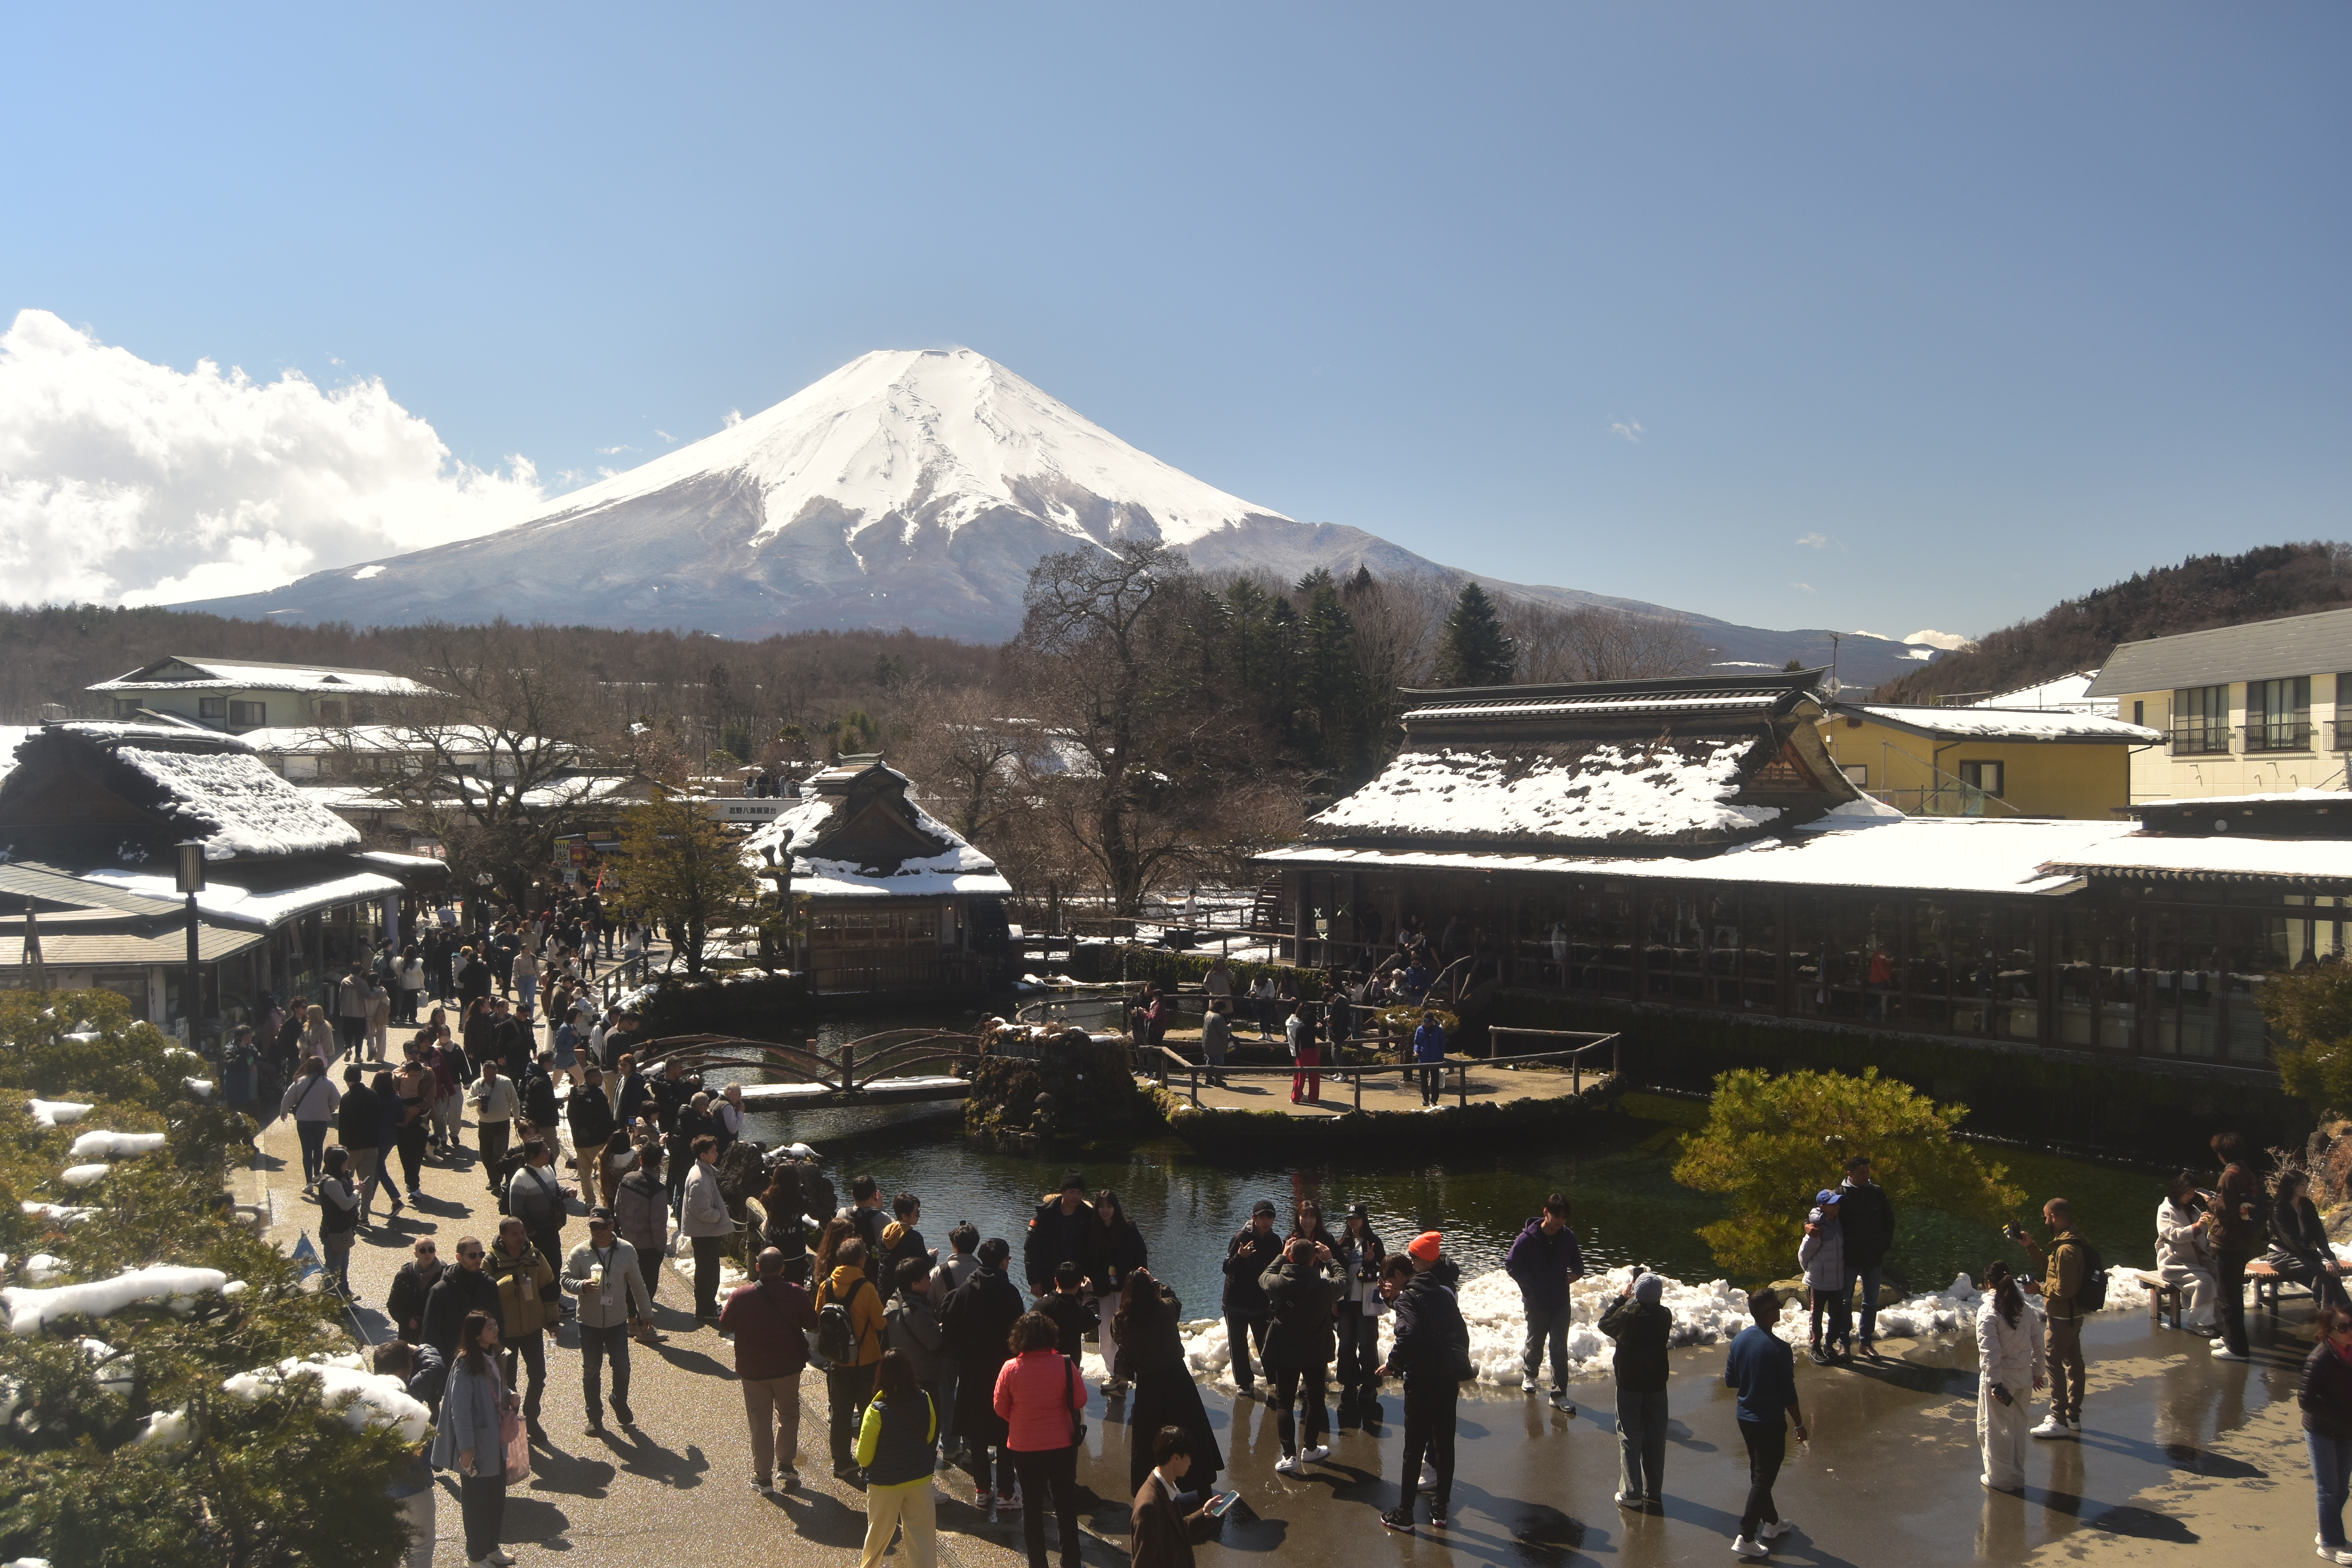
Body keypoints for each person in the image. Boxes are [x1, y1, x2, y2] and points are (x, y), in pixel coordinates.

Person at [1379, 1234, 1467, 1535]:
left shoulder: (1408, 1298)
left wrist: (1393, 1364)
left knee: (1414, 1448)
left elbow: (1410, 1332)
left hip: (1421, 1383)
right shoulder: (1443, 1292)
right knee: (1445, 1446)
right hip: (1446, 1380)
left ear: (1417, 1264)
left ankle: (1404, 1514)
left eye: (1413, 1259)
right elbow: (1461, 1333)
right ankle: (1440, 1509)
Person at [1115, 1267, 1223, 1496]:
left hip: (1148, 1386)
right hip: (1177, 1379)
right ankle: (1202, 1486)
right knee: (1191, 1430)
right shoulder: (1164, 1310)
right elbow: (1174, 1300)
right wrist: (1156, 1282)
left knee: (1148, 1439)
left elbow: (1118, 1338)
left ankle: (1150, 1491)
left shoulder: (1122, 1320)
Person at [722, 1245, 821, 1492]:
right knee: (788, 1415)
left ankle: (763, 1477)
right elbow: (812, 1323)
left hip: (753, 1369)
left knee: (760, 1421)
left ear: (757, 1268)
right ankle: (786, 1464)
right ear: (783, 1269)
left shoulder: (742, 1295)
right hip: (788, 1367)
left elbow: (724, 1324)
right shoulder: (796, 1293)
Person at [942, 1236, 1026, 1519]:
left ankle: (982, 1489)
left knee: (976, 1432)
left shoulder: (966, 1289)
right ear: (1004, 1261)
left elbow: (951, 1326)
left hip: (971, 1371)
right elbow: (1020, 1334)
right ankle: (1005, 1492)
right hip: (1003, 1371)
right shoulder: (1010, 1292)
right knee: (1005, 1432)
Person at [995, 1312, 1086, 1568]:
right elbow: (1079, 1401)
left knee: (1032, 1507)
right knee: (1065, 1505)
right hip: (1062, 1444)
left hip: (1025, 1447)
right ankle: (1071, 1562)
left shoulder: (1010, 1369)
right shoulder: (1064, 1365)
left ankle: (1038, 1563)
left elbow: (1000, 1407)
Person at [1723, 1289, 1807, 1560]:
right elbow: (1788, 1394)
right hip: (1769, 1422)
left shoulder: (1739, 1341)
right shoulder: (1780, 1350)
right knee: (1763, 1477)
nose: (1781, 1308)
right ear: (1770, 1314)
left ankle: (1771, 1523)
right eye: (1778, 1306)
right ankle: (1747, 1536)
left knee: (1760, 1472)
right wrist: (1800, 1423)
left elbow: (1731, 1380)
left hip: (1745, 1418)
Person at [431, 1308, 515, 1568]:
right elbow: (460, 1410)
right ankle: (476, 1556)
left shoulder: (493, 1355)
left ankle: (491, 1548)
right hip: (477, 1445)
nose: (496, 1330)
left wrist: (511, 1394)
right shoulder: (465, 1364)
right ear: (477, 1334)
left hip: (496, 1442)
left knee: (495, 1499)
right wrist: (466, 1449)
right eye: (490, 1327)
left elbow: (498, 1386)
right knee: (476, 1504)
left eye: (494, 1325)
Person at [564, 1209, 652, 1436]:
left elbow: (637, 1284)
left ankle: (619, 1400)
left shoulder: (626, 1250)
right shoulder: (580, 1252)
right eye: (594, 1227)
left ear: (612, 1226)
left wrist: (645, 1313)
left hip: (617, 1322)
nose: (599, 1231)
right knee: (591, 1371)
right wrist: (581, 1286)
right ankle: (594, 1417)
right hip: (589, 1323)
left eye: (603, 1226)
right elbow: (565, 1278)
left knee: (622, 1367)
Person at [1260, 1232, 1341, 1474]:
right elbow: (1345, 1280)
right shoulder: (1325, 1285)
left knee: (1284, 1402)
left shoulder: (1278, 1283)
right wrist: (1331, 1260)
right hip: (1316, 1350)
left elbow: (1263, 1276)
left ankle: (1289, 1456)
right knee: (1315, 1400)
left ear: (1291, 1258)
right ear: (1315, 1259)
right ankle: (1311, 1449)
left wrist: (1281, 1256)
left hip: (1285, 1348)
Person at [2010, 1197, 2087, 1434]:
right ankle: (2073, 1417)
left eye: (2046, 1217)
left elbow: (2064, 1289)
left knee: (2053, 1363)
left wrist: (2038, 1289)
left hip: (2063, 1317)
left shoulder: (2066, 1249)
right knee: (2075, 1364)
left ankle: (2059, 1420)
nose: (2045, 1220)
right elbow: (2053, 1272)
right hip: (2074, 1315)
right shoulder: (2074, 1241)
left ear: (2054, 1217)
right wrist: (2031, 1246)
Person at [859, 1349, 942, 1568]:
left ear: (881, 1375)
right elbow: (931, 1435)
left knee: (878, 1537)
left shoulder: (876, 1411)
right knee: (921, 1538)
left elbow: (864, 1457)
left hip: (886, 1483)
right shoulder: (925, 1399)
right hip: (920, 1479)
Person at [1599, 1270, 1672, 1510]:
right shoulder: (1665, 1315)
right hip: (1656, 1385)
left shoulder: (1628, 1315)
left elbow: (1604, 1323)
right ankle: (1653, 1490)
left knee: (1630, 1436)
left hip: (1629, 1385)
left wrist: (1622, 1298)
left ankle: (1631, 1493)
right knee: (1655, 1437)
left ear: (1637, 1293)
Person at [1504, 1192, 1584, 1410]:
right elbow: (1511, 1265)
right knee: (1536, 1341)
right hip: (1536, 1302)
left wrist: (1575, 1276)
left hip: (1560, 1302)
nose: (1560, 1222)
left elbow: (1578, 1264)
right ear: (1546, 1213)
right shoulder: (1527, 1239)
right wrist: (1532, 1285)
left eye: (1564, 1218)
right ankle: (1530, 1374)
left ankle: (1559, 1395)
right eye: (1557, 1216)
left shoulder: (1568, 1237)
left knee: (1559, 1348)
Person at [817, 1236, 888, 1478]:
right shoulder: (867, 1288)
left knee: (840, 1415)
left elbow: (819, 1317)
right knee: (870, 1415)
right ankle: (871, 1462)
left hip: (837, 1362)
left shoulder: (826, 1285)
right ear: (861, 1260)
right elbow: (880, 1323)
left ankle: (841, 1462)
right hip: (866, 1361)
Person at [1974, 1259, 2045, 1494]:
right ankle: (2016, 1476)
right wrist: (2038, 1372)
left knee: (1996, 1429)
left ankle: (2000, 1478)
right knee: (2017, 1428)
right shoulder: (2025, 1307)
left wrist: (1995, 1383)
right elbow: (2038, 1342)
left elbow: (1990, 1353)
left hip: (2002, 1380)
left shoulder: (1988, 1312)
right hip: (2024, 1378)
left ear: (1989, 1283)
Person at [373, 1339, 444, 1568]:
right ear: (404, 1371)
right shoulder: (407, 1392)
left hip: (379, 1487)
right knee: (420, 1547)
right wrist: (420, 1348)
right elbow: (436, 1368)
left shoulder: (364, 1393)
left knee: (387, 1548)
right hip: (413, 1486)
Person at [488, 1215, 555, 1443]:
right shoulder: (491, 1261)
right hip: (505, 1333)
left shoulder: (535, 1256)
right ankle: (513, 1422)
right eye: (515, 1234)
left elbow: (548, 1287)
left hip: (533, 1329)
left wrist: (553, 1320)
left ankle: (532, 1418)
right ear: (503, 1237)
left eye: (523, 1232)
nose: (521, 1237)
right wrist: (512, 1281)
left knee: (538, 1375)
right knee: (508, 1381)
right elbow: (487, 1294)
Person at [886, 1254, 951, 1466]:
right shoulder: (916, 1312)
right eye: (926, 1278)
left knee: (907, 1431)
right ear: (915, 1284)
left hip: (902, 1376)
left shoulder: (893, 1302)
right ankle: (925, 1482)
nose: (930, 1281)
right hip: (923, 1379)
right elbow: (936, 1344)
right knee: (930, 1430)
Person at [1086, 1189, 1149, 1395]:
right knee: (1106, 1337)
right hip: (1103, 1290)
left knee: (1128, 1332)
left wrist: (1139, 1281)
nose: (1105, 1211)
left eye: (1109, 1207)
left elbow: (1141, 1255)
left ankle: (1133, 1372)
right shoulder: (1092, 1230)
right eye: (1101, 1207)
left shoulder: (1128, 1228)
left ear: (1116, 1208)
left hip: (1125, 1288)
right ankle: (1115, 1375)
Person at [1131, 1425, 1217, 1568]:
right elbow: (1143, 1564)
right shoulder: (1149, 1507)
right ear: (1176, 1458)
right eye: (1189, 1457)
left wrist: (1204, 1514)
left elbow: (1173, 1536)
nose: (1191, 1463)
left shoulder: (1165, 1487)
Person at [2210, 1131, 2263, 1364]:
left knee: (2228, 1294)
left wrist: (2210, 1201)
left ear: (2222, 1155)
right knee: (2230, 1291)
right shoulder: (2247, 1173)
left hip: (2228, 1241)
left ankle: (2238, 1348)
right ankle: (2229, 1336)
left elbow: (2224, 1210)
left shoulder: (2229, 1176)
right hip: (2243, 1239)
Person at [2305, 1305, 2352, 1564]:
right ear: (2328, 1332)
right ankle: (2331, 1544)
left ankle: (2327, 1529)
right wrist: (2341, 1418)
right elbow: (2306, 1400)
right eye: (2343, 1327)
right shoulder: (2319, 1359)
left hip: (2346, 1430)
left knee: (2342, 1488)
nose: (2349, 1331)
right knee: (2328, 1488)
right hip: (2322, 1430)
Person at [1834, 1154, 1895, 1355]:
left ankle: (1865, 1342)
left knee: (1871, 1301)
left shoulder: (1876, 1192)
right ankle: (1844, 1342)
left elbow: (1889, 1221)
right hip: (1849, 1258)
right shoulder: (1840, 1194)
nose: (1867, 1176)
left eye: (1869, 1172)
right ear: (1850, 1174)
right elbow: (1821, 1215)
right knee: (1845, 1301)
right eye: (1862, 1173)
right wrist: (1807, 1224)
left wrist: (1883, 1246)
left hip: (1873, 1257)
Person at [1221, 1200, 1284, 1392]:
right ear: (1254, 1218)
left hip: (1261, 1301)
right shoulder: (1241, 1237)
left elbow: (1279, 1270)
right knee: (1238, 1344)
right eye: (1262, 1217)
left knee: (1267, 1341)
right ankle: (1244, 1383)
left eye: (1270, 1217)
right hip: (1236, 1301)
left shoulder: (1275, 1241)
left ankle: (1275, 1379)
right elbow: (1227, 1269)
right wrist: (1241, 1257)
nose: (1266, 1222)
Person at [2273, 1169, 2352, 1318]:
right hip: (2282, 1255)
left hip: (2304, 1254)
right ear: (2291, 1185)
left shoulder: (2307, 1205)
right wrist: (2321, 1260)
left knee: (2330, 1272)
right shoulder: (2280, 1208)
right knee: (2322, 1271)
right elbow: (2293, 1242)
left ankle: (2346, 1315)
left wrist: (2331, 1257)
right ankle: (2329, 1319)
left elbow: (2319, 1234)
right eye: (2302, 1184)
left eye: (2307, 1184)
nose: (2306, 1187)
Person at [1335, 1203, 1388, 1410]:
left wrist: (1370, 1263)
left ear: (1365, 1219)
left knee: (1367, 1345)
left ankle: (1370, 1385)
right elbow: (1335, 1273)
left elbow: (1384, 1270)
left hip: (1366, 1303)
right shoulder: (1342, 1244)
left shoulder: (1374, 1242)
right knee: (1346, 1345)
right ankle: (1349, 1384)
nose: (1353, 1221)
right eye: (1350, 1218)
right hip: (1347, 1303)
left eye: (1357, 1218)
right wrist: (1335, 1301)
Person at [506, 1139, 572, 1298]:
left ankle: (554, 1298)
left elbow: (555, 1190)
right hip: (537, 1233)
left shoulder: (548, 1169)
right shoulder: (521, 1179)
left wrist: (567, 1192)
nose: (549, 1154)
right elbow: (516, 1210)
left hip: (552, 1228)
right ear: (533, 1156)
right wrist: (531, 1231)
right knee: (542, 1267)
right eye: (545, 1151)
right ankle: (549, 1299)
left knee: (555, 1264)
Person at [2156, 1171, 2221, 1335]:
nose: (2190, 1197)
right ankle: (2196, 1322)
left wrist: (2208, 1224)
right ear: (2179, 1189)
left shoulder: (2193, 1210)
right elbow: (2173, 1235)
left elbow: (2203, 1237)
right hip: (2174, 1262)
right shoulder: (2165, 1210)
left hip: (2196, 1259)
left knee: (2221, 1277)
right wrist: (2197, 1227)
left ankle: (2216, 1320)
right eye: (2188, 1193)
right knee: (2204, 1283)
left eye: (2193, 1194)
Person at [613, 1145, 670, 1332]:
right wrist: (660, 1248)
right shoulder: (658, 1190)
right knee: (647, 1285)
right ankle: (643, 1324)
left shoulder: (627, 1179)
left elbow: (617, 1208)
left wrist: (622, 1232)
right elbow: (659, 1225)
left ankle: (630, 1321)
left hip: (627, 1240)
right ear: (660, 1163)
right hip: (648, 1247)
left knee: (629, 1281)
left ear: (640, 1160)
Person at [421, 1235, 502, 1361]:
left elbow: (500, 1321)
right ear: (459, 1257)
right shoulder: (441, 1290)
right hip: (455, 1360)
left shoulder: (490, 1285)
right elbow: (430, 1333)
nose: (478, 1259)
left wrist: (498, 1353)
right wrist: (444, 1364)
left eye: (481, 1255)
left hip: (487, 1358)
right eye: (472, 1256)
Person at [681, 1132, 733, 1322]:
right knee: (707, 1272)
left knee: (709, 1270)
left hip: (706, 1231)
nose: (717, 1154)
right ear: (703, 1155)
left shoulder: (703, 1172)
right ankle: (705, 1308)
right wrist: (719, 1215)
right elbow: (701, 1210)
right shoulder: (699, 1178)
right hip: (704, 1232)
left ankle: (708, 1304)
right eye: (713, 1151)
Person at [1025, 1171, 1096, 1300]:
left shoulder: (1088, 1217)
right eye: (1072, 1192)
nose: (1075, 1197)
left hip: (1077, 1281)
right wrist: (1034, 1281)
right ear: (1063, 1192)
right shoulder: (1045, 1216)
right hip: (1049, 1279)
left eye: (1079, 1193)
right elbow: (1031, 1249)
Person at [1800, 1191, 1850, 1366]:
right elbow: (1804, 1254)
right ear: (1822, 1207)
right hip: (1818, 1282)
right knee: (1817, 1316)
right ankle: (1816, 1348)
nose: (1836, 1207)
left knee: (1837, 1315)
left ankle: (1830, 1346)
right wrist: (1811, 1271)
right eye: (1832, 1204)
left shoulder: (1839, 1222)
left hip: (1836, 1281)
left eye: (1837, 1203)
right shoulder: (1817, 1228)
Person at [278, 1055, 339, 1191]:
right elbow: (337, 1099)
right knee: (318, 1147)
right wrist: (330, 1109)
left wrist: (284, 1112)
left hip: (304, 1121)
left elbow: (288, 1098)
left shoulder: (300, 1081)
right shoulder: (328, 1082)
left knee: (307, 1151)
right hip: (322, 1120)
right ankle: (317, 1174)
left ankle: (309, 1183)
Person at [568, 1064, 617, 1212]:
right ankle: (607, 1201)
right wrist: (610, 1139)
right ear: (591, 1078)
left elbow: (571, 1115)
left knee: (585, 1173)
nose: (602, 1078)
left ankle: (589, 1201)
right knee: (604, 1172)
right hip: (596, 1141)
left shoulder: (575, 1094)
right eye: (599, 1076)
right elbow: (605, 1120)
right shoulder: (597, 1096)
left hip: (579, 1140)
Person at [466, 1058, 519, 1195]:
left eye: (491, 1073)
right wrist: (477, 1100)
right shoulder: (477, 1084)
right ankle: (493, 1178)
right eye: (485, 1073)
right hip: (484, 1124)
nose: (488, 1076)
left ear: (496, 1072)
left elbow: (515, 1101)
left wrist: (517, 1119)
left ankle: (497, 1182)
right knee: (485, 1154)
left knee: (499, 1153)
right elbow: (468, 1102)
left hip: (502, 1123)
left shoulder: (505, 1082)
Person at [317, 1145, 360, 1298]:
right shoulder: (332, 1183)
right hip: (334, 1233)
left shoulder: (341, 1179)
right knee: (334, 1270)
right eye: (345, 1163)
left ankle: (343, 1295)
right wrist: (357, 1192)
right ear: (338, 1163)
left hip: (343, 1230)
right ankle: (331, 1301)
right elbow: (346, 1204)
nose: (348, 1165)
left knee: (342, 1267)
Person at [387, 1236, 446, 1345]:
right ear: (416, 1254)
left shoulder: (445, 1275)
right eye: (423, 1250)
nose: (427, 1253)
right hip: (409, 1335)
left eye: (431, 1250)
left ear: (435, 1252)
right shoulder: (405, 1276)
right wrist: (407, 1320)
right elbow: (393, 1305)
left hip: (436, 1335)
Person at [1039, 1262, 1097, 1371]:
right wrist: (1089, 1294)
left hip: (1044, 1363)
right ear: (1080, 1284)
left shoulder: (1042, 1304)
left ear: (1056, 1281)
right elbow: (1095, 1318)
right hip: (1069, 1365)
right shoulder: (1077, 1311)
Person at [1287, 1003, 1320, 1104]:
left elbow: (1297, 1043)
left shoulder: (1300, 1028)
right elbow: (1323, 1037)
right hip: (1314, 1053)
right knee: (1315, 1078)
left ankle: (1296, 1098)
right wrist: (1320, 1028)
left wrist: (1298, 1054)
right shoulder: (1314, 1029)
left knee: (1299, 1078)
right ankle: (1314, 1098)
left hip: (1303, 1053)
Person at [1412, 1009, 1446, 1106]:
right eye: (1424, 1021)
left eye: (1428, 1021)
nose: (1426, 1023)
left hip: (1435, 1059)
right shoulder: (1420, 1030)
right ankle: (1425, 1099)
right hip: (1423, 1059)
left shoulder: (1439, 1031)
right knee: (1423, 1080)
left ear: (1432, 1021)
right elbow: (1417, 1042)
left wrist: (1441, 1058)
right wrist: (1416, 1051)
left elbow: (1442, 1045)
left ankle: (1434, 1100)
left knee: (1435, 1080)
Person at [1200, 998, 1232, 1089]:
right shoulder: (1218, 1018)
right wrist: (1229, 1027)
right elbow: (1223, 1031)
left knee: (1210, 1061)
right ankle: (1218, 1080)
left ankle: (1209, 1078)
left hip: (1208, 1043)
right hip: (1217, 1044)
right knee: (1219, 1063)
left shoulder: (1208, 1014)